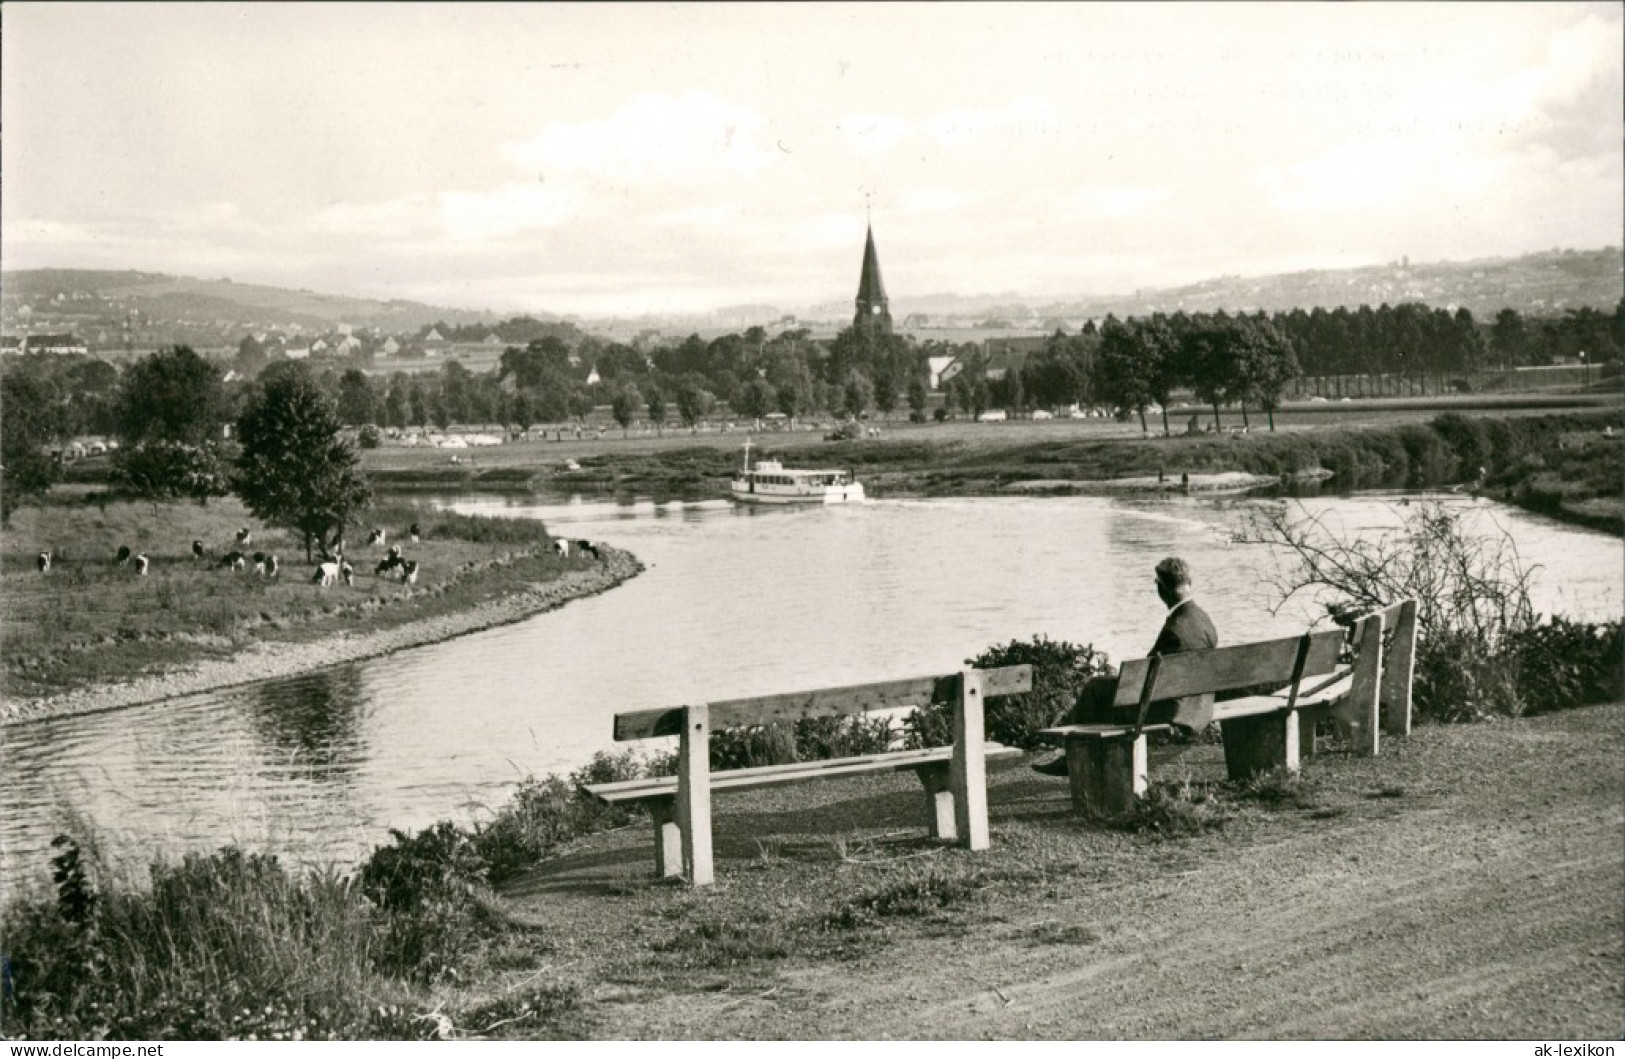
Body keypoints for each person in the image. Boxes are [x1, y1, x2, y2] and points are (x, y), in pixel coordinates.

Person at [1032, 556, 1219, 776]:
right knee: (1105, 689)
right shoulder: (1203, 620)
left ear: (1161, 589)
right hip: (1198, 707)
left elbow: (1148, 680)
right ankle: (1086, 753)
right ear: (1189, 583)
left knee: (1095, 689)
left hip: (1171, 711)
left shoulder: (1175, 629)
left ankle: (1074, 757)